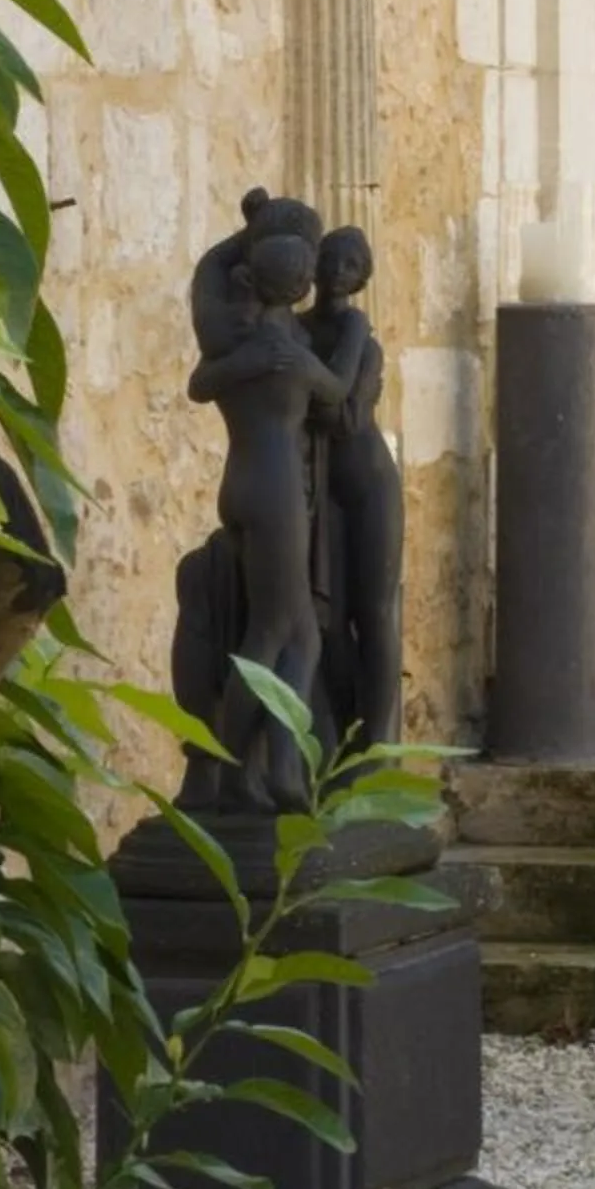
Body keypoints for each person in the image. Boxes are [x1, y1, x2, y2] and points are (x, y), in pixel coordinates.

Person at [187, 223, 357, 809]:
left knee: (296, 632)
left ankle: (278, 769)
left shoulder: (238, 338)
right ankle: (243, 770)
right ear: (303, 283)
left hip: (238, 485)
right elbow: (338, 391)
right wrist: (354, 334)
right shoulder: (291, 356)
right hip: (278, 490)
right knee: (277, 634)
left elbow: (197, 386)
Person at [307, 225, 405, 748]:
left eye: (351, 265)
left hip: (369, 483)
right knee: (329, 616)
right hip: (322, 489)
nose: (338, 272)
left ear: (361, 278)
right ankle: (341, 733)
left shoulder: (359, 335)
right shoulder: (298, 329)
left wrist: (307, 384)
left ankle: (377, 739)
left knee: (374, 610)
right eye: (332, 259)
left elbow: (345, 416)